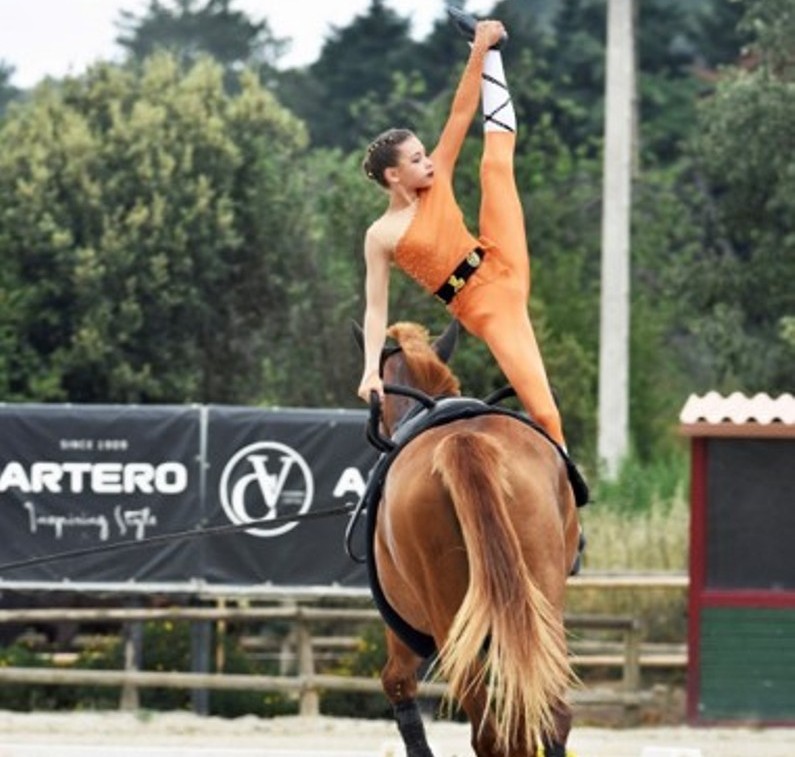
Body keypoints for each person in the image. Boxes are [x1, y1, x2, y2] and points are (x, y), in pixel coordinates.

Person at [358, 11, 567, 451]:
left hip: (496, 254)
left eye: (423, 153)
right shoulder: (381, 235)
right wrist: (370, 370)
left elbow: (460, 112)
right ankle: (569, 490)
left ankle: (492, 50)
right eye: (415, 160)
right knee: (544, 411)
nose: (427, 162)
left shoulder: (438, 179)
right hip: (485, 302)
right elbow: (376, 309)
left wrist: (478, 50)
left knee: (495, 164)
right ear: (393, 177)